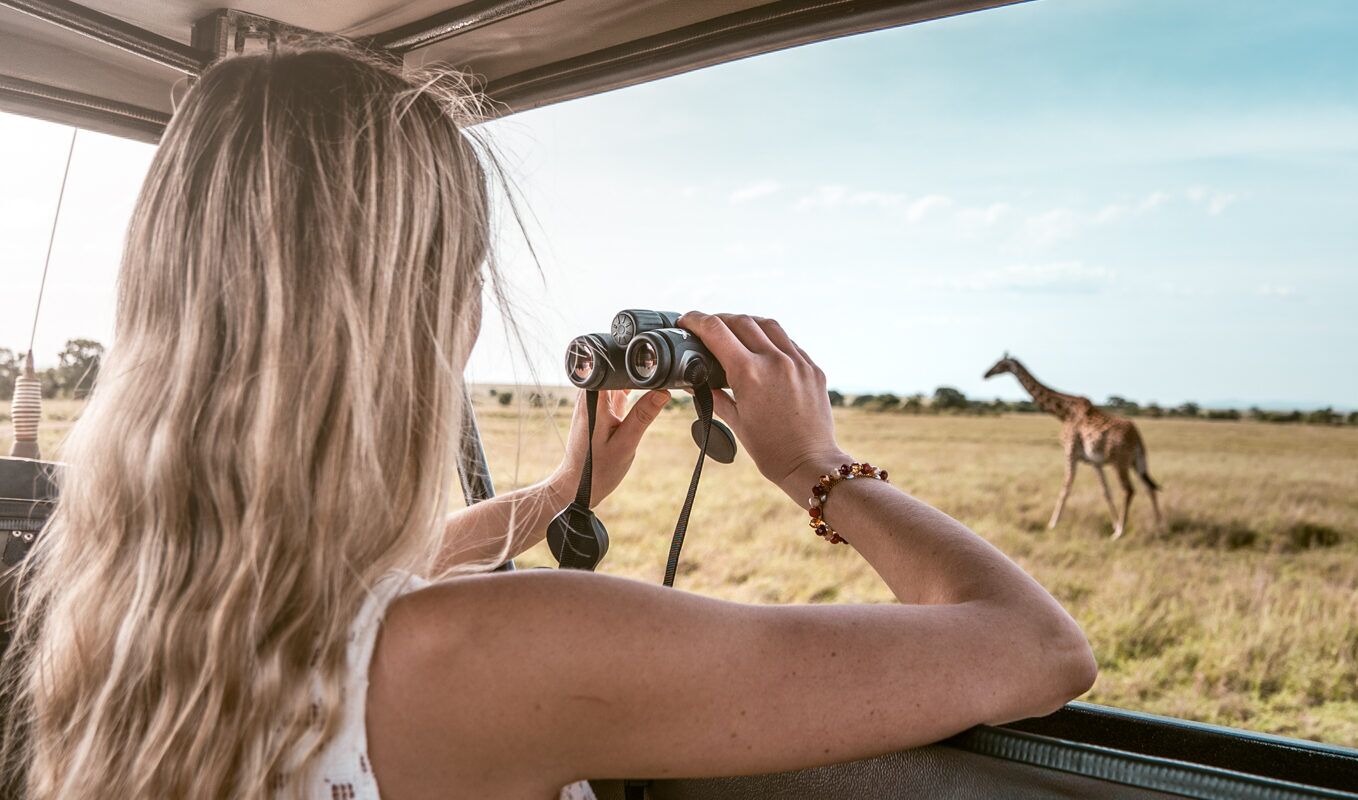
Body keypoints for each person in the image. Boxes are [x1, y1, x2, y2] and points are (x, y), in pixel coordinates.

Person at [2, 45, 1095, 799]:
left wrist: (547, 500)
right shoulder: (491, 650)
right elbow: (1037, 647)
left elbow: (331, 592)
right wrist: (819, 466)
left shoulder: (122, 602)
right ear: (418, 307)